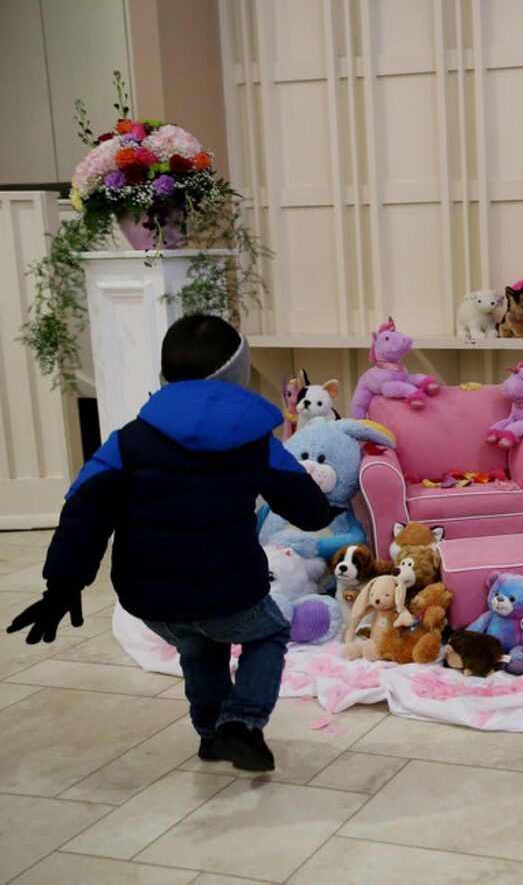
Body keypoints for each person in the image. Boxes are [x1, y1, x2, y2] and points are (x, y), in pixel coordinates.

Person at [6, 315, 335, 772]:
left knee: (199, 648)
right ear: (238, 375)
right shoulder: (255, 443)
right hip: (230, 592)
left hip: (153, 599)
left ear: (165, 376)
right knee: (270, 630)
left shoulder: (127, 441)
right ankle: (240, 724)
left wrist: (62, 585)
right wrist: (333, 506)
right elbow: (309, 511)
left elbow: (83, 511)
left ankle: (210, 735)